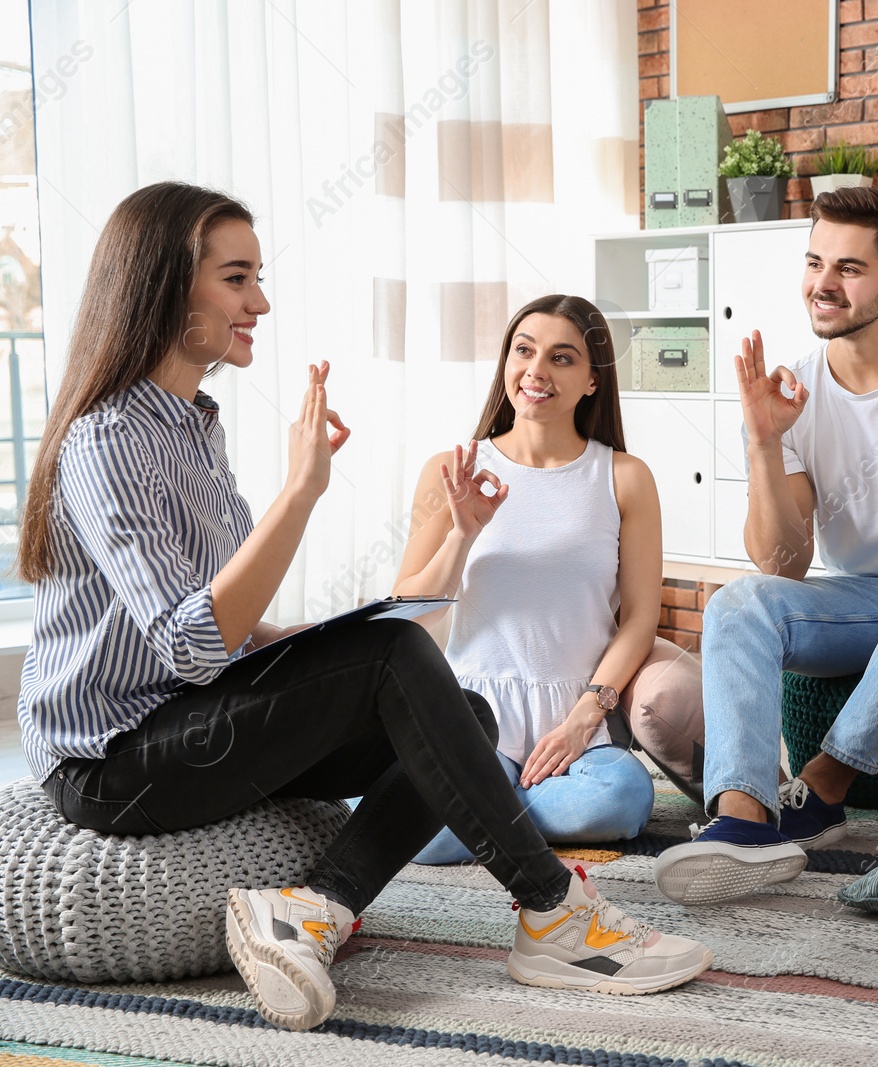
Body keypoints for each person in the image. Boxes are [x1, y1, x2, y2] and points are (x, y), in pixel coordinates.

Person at [14, 183, 711, 1034]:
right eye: (238, 279)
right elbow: (193, 643)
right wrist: (303, 492)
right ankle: (553, 910)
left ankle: (315, 910)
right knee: (396, 663)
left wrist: (309, 641)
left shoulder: (193, 423)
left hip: (184, 717)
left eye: (257, 278)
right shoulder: (106, 438)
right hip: (112, 764)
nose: (260, 302)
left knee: (463, 710)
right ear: (166, 282)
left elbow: (222, 625)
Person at [653, 186, 878, 905]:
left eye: (849, 268)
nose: (823, 282)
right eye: (816, 261)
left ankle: (824, 783)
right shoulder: (795, 392)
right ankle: (744, 818)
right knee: (738, 603)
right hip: (860, 603)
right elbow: (781, 562)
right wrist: (764, 441)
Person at [394, 294, 700, 858]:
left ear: (592, 381)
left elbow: (637, 619)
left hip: (576, 708)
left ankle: (475, 816)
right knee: (432, 838)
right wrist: (463, 533)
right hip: (474, 710)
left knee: (621, 799)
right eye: (523, 351)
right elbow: (411, 610)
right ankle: (482, 808)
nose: (536, 371)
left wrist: (587, 715)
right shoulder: (452, 469)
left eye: (562, 358)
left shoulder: (624, 477)